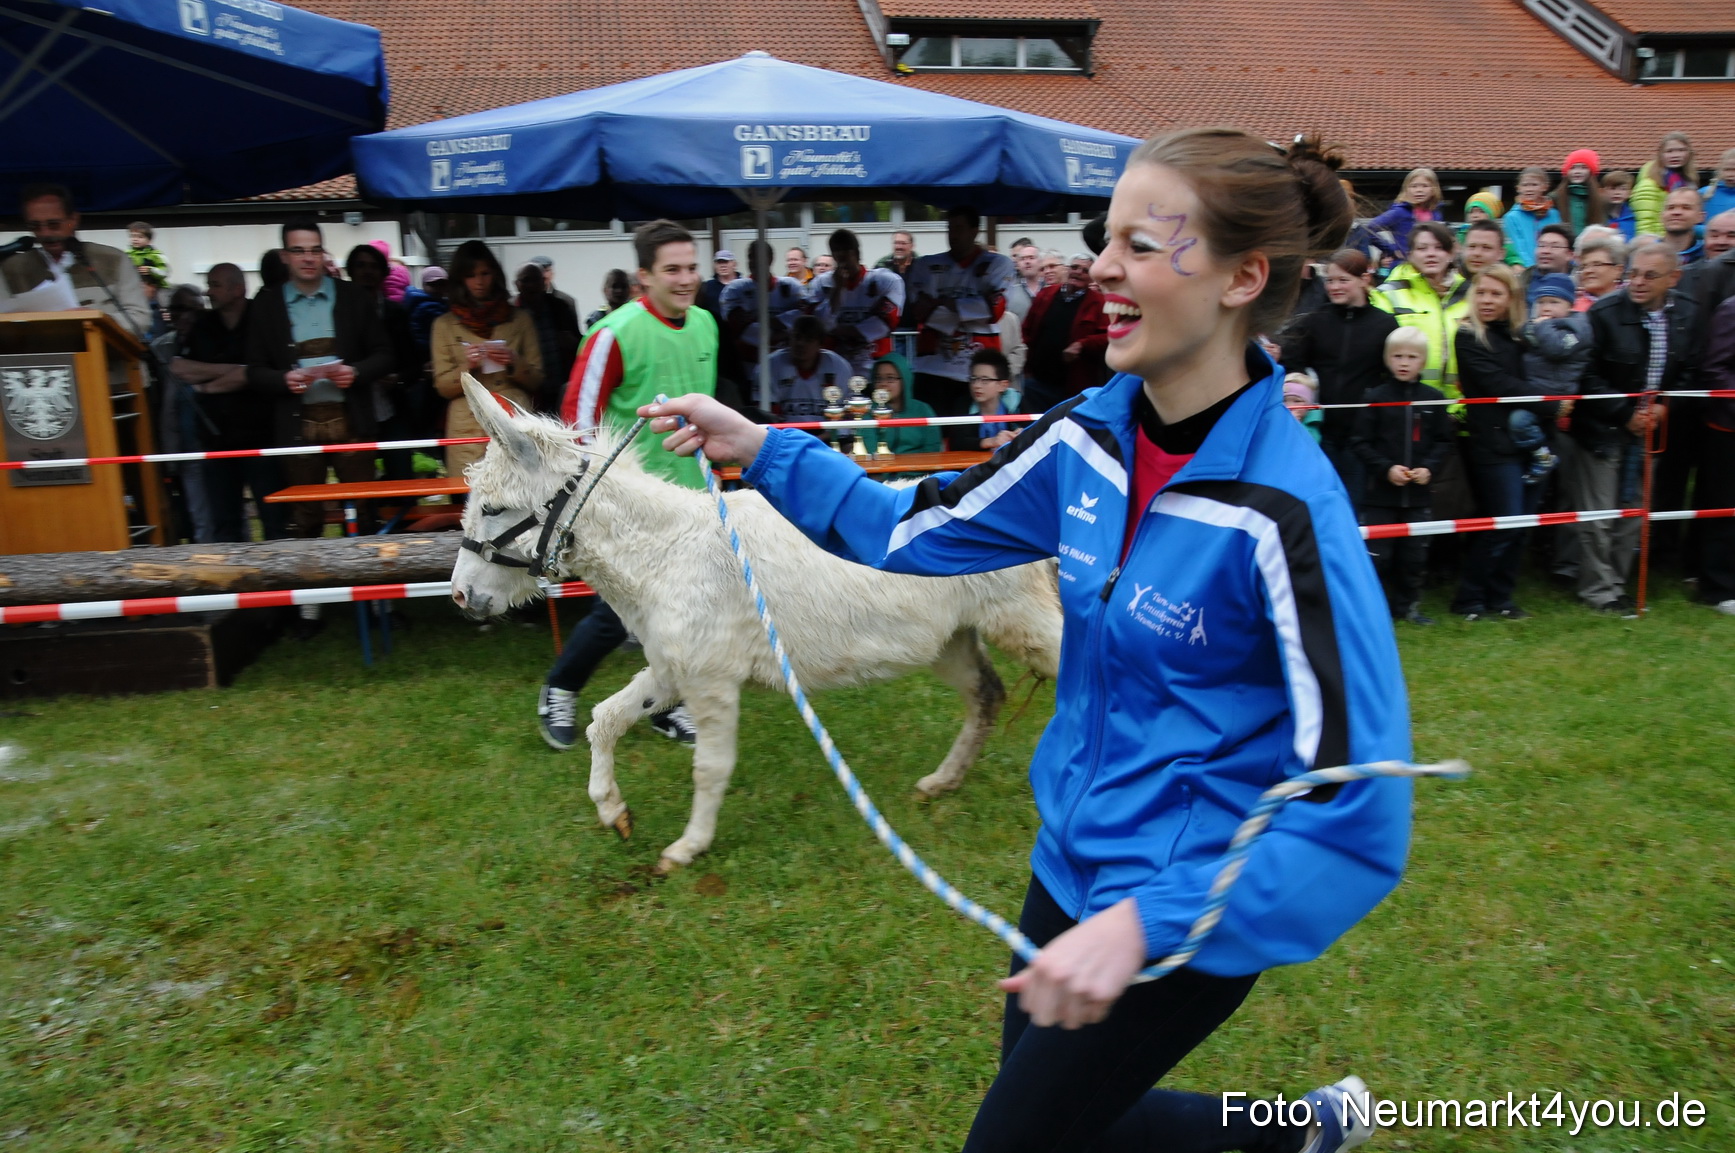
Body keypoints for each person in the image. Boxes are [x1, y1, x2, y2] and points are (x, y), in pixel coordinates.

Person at [644, 127, 1410, 1153]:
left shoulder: (1286, 514)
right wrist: (764, 449)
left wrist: (1148, 924)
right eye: (1108, 238)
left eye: (1141, 245)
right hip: (1068, 866)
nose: (1099, 266)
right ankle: (1299, 1132)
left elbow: (1358, 815)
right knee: (1072, 1125)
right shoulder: (1086, 435)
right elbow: (911, 529)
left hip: (1182, 914)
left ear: (1242, 278)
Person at [541, 220, 718, 751]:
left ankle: (668, 706)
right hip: (631, 508)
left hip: (695, 502)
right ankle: (559, 689)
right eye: (673, 270)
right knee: (618, 615)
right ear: (645, 276)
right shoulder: (612, 334)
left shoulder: (707, 324)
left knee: (687, 612)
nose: (687, 279)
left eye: (692, 267)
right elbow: (578, 427)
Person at [244, 218, 394, 559]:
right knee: (304, 516)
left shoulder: (353, 297)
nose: (308, 258)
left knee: (362, 512)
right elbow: (253, 372)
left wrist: (355, 372)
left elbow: (386, 355)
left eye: (315, 250)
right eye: (299, 250)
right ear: (284, 255)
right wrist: (282, 380)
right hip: (298, 427)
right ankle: (311, 609)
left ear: (324, 253)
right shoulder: (266, 304)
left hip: (351, 421)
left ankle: (372, 604)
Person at [1569, 244, 1697, 614]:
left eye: (1649, 275)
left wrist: (1662, 408)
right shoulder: (1605, 313)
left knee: (1635, 512)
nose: (1637, 282)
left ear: (1674, 278)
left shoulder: (1688, 313)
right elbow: (1586, 375)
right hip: (1602, 429)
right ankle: (1598, 592)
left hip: (1651, 430)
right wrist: (1625, 412)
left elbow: (1690, 371)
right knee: (1599, 516)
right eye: (1633, 273)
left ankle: (1618, 585)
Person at [1451, 264, 1544, 621]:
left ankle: (1501, 598)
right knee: (1503, 522)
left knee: (1521, 527)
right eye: (1482, 292)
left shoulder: (1523, 337)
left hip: (1532, 444)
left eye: (1496, 294)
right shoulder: (1468, 336)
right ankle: (1469, 598)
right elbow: (1500, 386)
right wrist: (1551, 403)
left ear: (1512, 299)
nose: (1487, 300)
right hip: (1491, 445)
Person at [171, 263, 283, 542]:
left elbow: (264, 371)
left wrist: (208, 382)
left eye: (215, 285)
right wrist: (241, 371)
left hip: (262, 437)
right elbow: (180, 368)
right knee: (224, 523)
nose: (208, 292)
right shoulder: (203, 324)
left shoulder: (263, 318)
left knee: (275, 521)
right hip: (216, 439)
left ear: (238, 288)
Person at [1351, 327, 1452, 624]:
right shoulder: (1375, 397)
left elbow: (1445, 441)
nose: (1404, 363)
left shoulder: (1433, 398)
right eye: (1397, 356)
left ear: (1423, 361)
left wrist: (1429, 469)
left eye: (1411, 357)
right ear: (1386, 359)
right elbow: (1359, 441)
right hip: (1380, 496)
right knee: (1379, 555)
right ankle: (1374, 610)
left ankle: (1408, 607)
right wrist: (1385, 469)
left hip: (1418, 496)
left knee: (1414, 556)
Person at [1280, 247, 1399, 500]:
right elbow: (1292, 362)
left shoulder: (1385, 324)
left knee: (1352, 506)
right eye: (1330, 280)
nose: (1335, 287)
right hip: (1319, 433)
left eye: (1343, 280)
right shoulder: (1314, 321)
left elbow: (1392, 375)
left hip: (1362, 436)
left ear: (1365, 280)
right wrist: (1302, 396)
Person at [431, 240, 545, 477]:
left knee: (522, 494)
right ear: (460, 279)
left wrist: (514, 361)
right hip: (467, 427)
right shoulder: (443, 325)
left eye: (485, 273)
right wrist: (467, 366)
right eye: (471, 275)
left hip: (514, 420)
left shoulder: (520, 319)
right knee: (470, 500)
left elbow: (538, 379)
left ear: (496, 274)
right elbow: (442, 386)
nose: (479, 281)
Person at [905, 206, 1018, 418]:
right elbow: (921, 311)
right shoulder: (926, 265)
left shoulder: (998, 263)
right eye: (950, 228)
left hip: (978, 370)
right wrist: (972, 309)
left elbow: (994, 309)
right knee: (933, 433)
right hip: (932, 367)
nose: (953, 234)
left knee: (970, 435)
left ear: (975, 231)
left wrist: (943, 302)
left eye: (959, 228)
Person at [3, 184, 151, 335]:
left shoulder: (113, 259)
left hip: (108, 356)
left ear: (73, 220)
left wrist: (94, 320)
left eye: (53, 224)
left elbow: (140, 318)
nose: (45, 233)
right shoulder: (11, 269)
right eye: (35, 226)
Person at [345, 243, 419, 480]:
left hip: (392, 408)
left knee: (402, 478)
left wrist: (398, 379)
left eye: (373, 266)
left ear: (383, 272)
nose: (367, 272)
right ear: (350, 271)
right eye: (360, 266)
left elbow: (415, 361)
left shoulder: (396, 312)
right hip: (354, 411)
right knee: (360, 484)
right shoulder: (339, 314)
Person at [1370, 222, 1470, 397]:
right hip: (1406, 403)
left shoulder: (1470, 294)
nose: (1431, 254)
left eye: (1439, 248)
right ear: (1411, 255)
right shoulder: (1387, 295)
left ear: (1450, 254)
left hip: (1461, 406)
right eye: (1422, 248)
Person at [807, 228, 905, 379]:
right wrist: (837, 291)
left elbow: (886, 323)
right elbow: (817, 324)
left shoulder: (885, 280)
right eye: (837, 252)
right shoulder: (821, 283)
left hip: (874, 365)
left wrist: (840, 331)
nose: (842, 258)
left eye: (846, 251)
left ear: (857, 253)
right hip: (834, 365)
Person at [720, 240, 808, 406]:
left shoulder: (791, 287)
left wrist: (761, 319)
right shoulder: (735, 289)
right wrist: (783, 330)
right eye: (751, 257)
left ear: (771, 259)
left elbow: (804, 318)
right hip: (748, 366)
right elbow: (738, 326)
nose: (754, 262)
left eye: (759, 257)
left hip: (786, 364)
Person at [1021, 252, 1110, 414]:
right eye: (1075, 267)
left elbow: (1107, 336)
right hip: (1037, 381)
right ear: (1067, 269)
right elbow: (1027, 330)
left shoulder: (1099, 302)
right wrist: (1026, 369)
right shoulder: (1046, 295)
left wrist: (1082, 345)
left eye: (1085, 270)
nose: (1078, 272)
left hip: (1072, 386)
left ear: (1091, 278)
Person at [1697, 294, 1735, 615]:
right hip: (1728, 427)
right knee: (1723, 508)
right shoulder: (1731, 309)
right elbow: (1715, 367)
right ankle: (1717, 586)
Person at [514, 261, 581, 411]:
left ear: (544, 282)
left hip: (560, 386)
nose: (532, 285)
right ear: (517, 284)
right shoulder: (511, 313)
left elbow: (579, 344)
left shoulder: (560, 307)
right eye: (526, 280)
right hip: (527, 390)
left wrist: (571, 342)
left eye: (536, 280)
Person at [761, 314, 852, 421]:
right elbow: (766, 416)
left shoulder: (839, 366)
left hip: (827, 434)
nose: (800, 343)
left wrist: (824, 436)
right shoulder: (770, 365)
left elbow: (845, 415)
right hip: (785, 434)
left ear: (821, 344)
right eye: (797, 337)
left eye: (809, 339)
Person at [858, 352, 942, 456]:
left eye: (890, 378)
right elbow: (869, 449)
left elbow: (933, 449)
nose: (883, 384)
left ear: (905, 380)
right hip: (880, 470)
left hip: (919, 470)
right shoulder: (867, 412)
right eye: (878, 378)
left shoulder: (923, 409)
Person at [1364, 167, 1442, 259]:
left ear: (1433, 190)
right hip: (1404, 266)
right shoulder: (1399, 212)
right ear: (1406, 190)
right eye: (1414, 186)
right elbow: (1369, 229)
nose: (1419, 190)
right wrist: (1392, 249)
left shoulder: (1436, 214)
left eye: (1425, 186)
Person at [1631, 131, 1695, 238]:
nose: (1675, 155)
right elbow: (1644, 223)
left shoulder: (1689, 183)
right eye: (1669, 151)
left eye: (1681, 150)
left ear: (1689, 154)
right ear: (1660, 155)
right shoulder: (1649, 184)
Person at [1502, 167, 1563, 268]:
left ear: (1544, 187)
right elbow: (1517, 246)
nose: (1529, 189)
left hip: (1552, 268)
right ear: (1518, 188)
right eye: (1525, 185)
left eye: (1534, 185)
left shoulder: (1554, 215)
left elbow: (1559, 243)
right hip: (1526, 269)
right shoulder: (1511, 217)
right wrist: (1531, 268)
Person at [962, 347, 1021, 450]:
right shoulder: (963, 404)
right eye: (974, 379)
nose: (976, 385)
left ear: (1003, 385)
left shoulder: (1016, 402)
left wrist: (1024, 433)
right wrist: (991, 441)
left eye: (985, 380)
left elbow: (1037, 430)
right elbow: (958, 442)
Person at [1552, 149, 1606, 237]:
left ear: (1591, 172)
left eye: (1583, 167)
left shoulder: (1601, 200)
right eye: (1572, 168)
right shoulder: (1555, 198)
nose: (1577, 172)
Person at [1574, 234, 1626, 312]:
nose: (1587, 271)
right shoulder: (1575, 311)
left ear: (1618, 270)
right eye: (1583, 266)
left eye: (1597, 264)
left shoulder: (1633, 300)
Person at [1660, 187, 1705, 264]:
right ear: (1661, 216)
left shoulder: (1707, 256)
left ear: (1700, 217)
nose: (1676, 212)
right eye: (1671, 208)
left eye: (1686, 208)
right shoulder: (1646, 254)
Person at [584, 268, 635, 332]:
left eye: (623, 286)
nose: (619, 290)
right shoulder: (596, 319)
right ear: (605, 290)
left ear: (629, 290)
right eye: (614, 286)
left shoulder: (636, 316)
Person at [875, 229, 919, 298]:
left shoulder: (922, 265)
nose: (899, 247)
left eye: (903, 243)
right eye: (896, 243)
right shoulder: (883, 265)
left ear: (912, 246)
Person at [1281, 372, 1323, 443]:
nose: (1290, 406)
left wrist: (1294, 424)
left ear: (1309, 405)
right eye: (1284, 400)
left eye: (1297, 401)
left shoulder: (1312, 425)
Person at [126, 221, 170, 286]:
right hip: (134, 287)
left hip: (156, 286)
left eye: (140, 237)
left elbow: (165, 272)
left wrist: (151, 270)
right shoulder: (126, 255)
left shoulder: (156, 254)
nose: (135, 239)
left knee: (162, 295)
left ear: (149, 240)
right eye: (133, 236)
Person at [698, 248, 738, 316]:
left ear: (734, 264)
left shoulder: (744, 286)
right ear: (715, 266)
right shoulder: (707, 287)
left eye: (726, 262)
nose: (723, 265)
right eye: (719, 262)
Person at [1601, 170, 1637, 240]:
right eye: (1612, 188)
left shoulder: (1634, 217)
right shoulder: (1598, 216)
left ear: (1630, 193)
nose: (1617, 193)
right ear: (1603, 191)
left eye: (1623, 189)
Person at [1701, 148, 1735, 222]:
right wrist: (1709, 230)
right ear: (1720, 170)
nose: (1731, 174)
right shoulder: (1704, 194)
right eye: (1727, 169)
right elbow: (1689, 224)